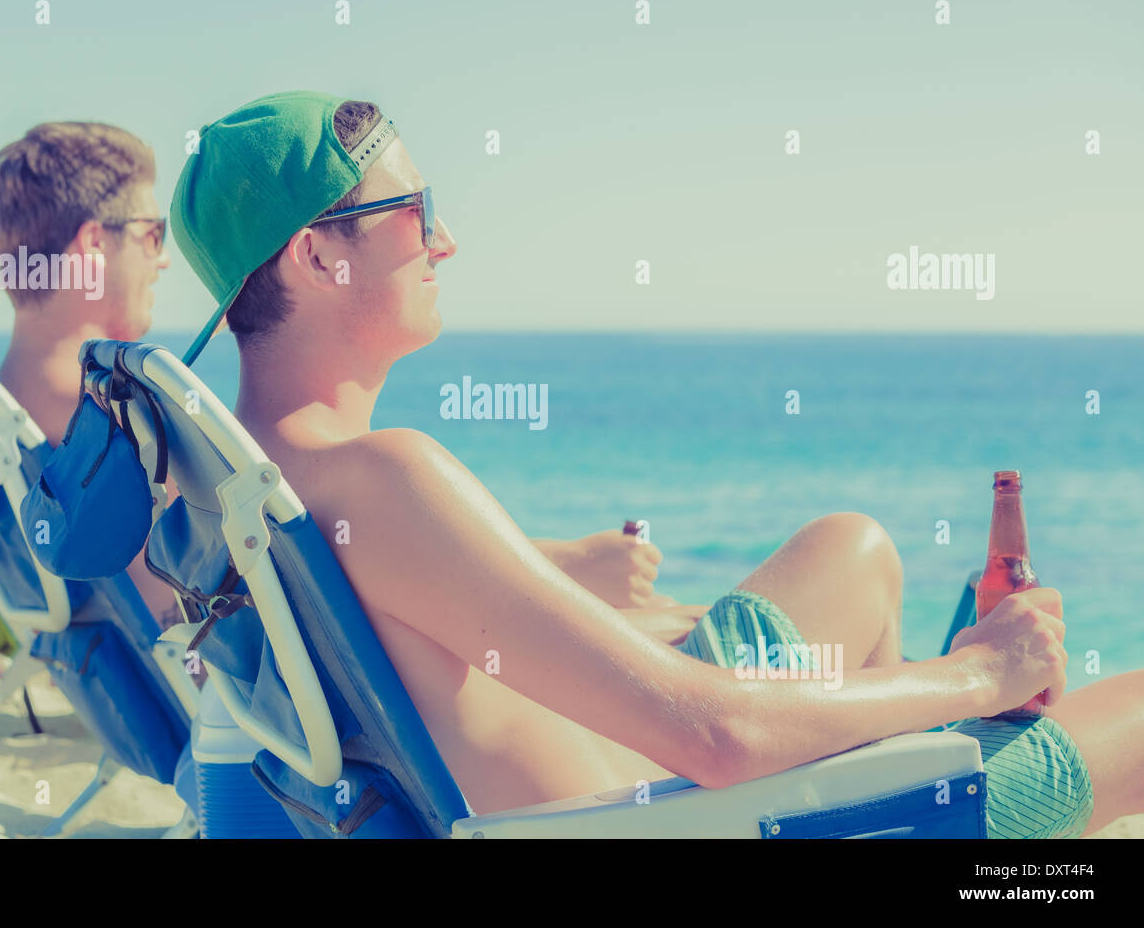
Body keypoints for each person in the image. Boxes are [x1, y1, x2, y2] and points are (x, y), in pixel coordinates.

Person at [170, 91, 1143, 837]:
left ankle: (895, 763)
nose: (446, 239)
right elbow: (718, 740)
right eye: (414, 210)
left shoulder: (247, 485)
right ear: (315, 257)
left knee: (852, 548)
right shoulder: (388, 478)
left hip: (623, 759)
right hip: (665, 810)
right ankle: (903, 789)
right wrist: (976, 671)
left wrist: (617, 610)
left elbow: (452, 657)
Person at [0, 121, 179, 627]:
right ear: (94, 242)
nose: (162, 260)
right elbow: (191, 648)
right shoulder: (120, 433)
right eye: (152, 234)